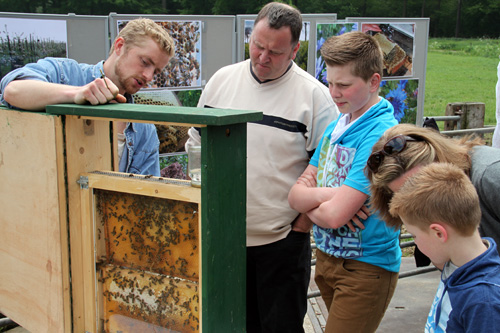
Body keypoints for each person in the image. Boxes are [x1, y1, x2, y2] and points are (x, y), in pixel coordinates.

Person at [185, 2, 338, 331]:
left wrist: (299, 229)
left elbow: (327, 171)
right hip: (222, 240)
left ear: (295, 49)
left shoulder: (315, 98)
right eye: (257, 45)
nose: (263, 57)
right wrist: (203, 196)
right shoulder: (220, 82)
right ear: (250, 36)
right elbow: (196, 144)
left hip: (281, 244)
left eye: (276, 52)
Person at [288, 31, 401, 332]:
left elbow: (332, 213)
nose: (334, 92)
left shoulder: (380, 135)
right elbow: (295, 196)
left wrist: (320, 200)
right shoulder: (339, 124)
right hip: (328, 259)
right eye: (330, 82)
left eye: (344, 85)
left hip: (365, 267)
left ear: (374, 82)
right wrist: (336, 195)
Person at [0, 18, 175, 176]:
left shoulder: (145, 130)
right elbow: (13, 90)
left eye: (156, 71)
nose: (149, 76)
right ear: (120, 46)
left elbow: (144, 198)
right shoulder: (65, 74)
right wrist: (77, 94)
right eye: (145, 62)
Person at [388, 162, 500, 332]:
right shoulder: (456, 264)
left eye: (415, 235)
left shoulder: (484, 303)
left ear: (439, 233)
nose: (415, 242)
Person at [366, 123, 500, 254]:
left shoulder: (491, 175)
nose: (418, 200)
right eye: (403, 194)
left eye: (423, 184)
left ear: (439, 158)